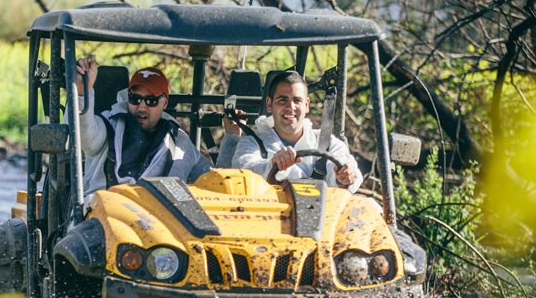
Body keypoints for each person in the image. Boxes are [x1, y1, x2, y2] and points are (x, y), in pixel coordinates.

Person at [75, 54, 213, 195]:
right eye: (135, 99)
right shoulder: (109, 124)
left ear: (164, 103)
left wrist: (232, 138)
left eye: (151, 101)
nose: (141, 107)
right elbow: (86, 136)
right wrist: (81, 93)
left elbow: (213, 180)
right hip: (103, 210)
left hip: (155, 214)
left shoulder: (179, 141)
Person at [231, 70, 362, 192]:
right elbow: (242, 173)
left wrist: (345, 176)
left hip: (324, 213)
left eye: (297, 100)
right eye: (283, 100)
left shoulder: (329, 143)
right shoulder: (251, 143)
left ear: (306, 105)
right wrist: (273, 164)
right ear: (269, 105)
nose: (290, 107)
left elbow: (345, 172)